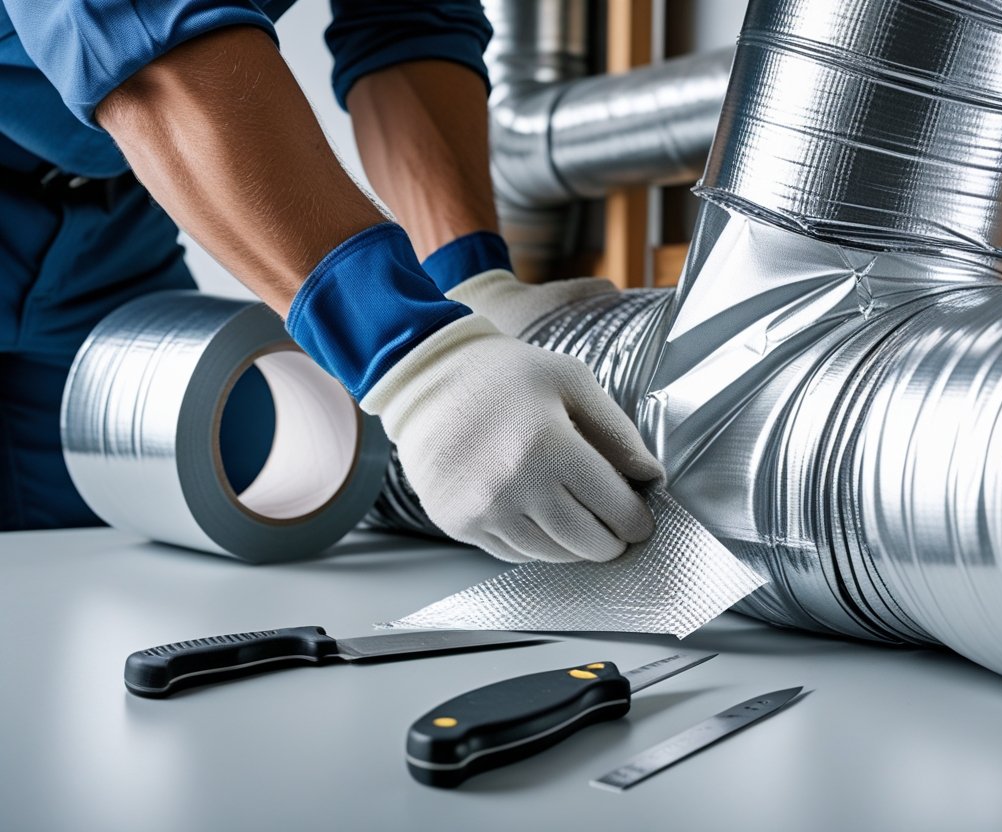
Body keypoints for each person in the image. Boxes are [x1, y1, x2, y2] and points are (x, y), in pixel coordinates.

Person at [0, 1, 663, 563]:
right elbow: (137, 30)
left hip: (113, 229)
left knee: (108, 550)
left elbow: (405, 26)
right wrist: (416, 361)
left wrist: (467, 282)